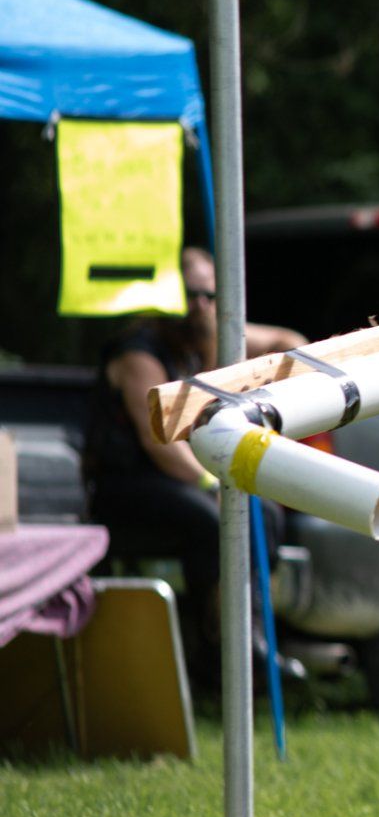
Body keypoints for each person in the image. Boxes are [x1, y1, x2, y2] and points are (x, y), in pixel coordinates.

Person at [83, 246, 307, 679]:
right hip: (128, 483)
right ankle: (219, 641)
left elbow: (291, 344)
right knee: (214, 518)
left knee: (265, 512)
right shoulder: (139, 352)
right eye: (191, 295)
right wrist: (212, 484)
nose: (201, 305)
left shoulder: (203, 337)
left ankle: (250, 636)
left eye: (211, 296)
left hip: (180, 480)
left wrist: (226, 347)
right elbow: (158, 442)